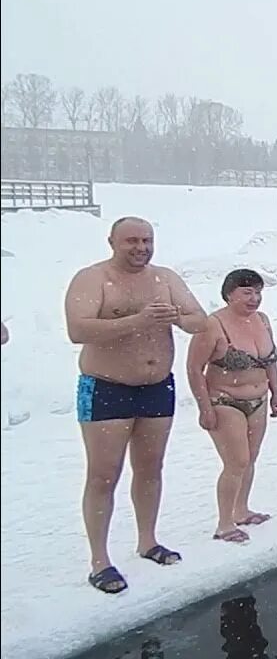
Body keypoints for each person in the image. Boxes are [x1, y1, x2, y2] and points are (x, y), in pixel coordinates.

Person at [64, 216, 207, 593]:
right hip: (106, 387)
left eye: (147, 240)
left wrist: (175, 316)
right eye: (132, 241)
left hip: (157, 387)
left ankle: (147, 540)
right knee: (103, 475)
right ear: (112, 241)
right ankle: (100, 560)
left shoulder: (165, 278)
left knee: (150, 468)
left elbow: (200, 320)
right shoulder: (92, 278)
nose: (141, 247)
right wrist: (137, 320)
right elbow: (77, 329)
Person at [186, 269, 277, 543]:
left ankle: (241, 509)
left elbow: (271, 362)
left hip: (259, 398)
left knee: (250, 458)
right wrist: (204, 407)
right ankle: (224, 523)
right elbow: (194, 368)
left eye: (258, 292)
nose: (254, 299)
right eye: (247, 293)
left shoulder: (262, 321)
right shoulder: (212, 325)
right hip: (225, 399)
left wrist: (276, 393)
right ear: (229, 295)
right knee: (236, 462)